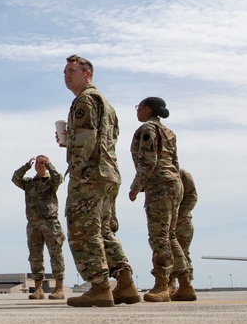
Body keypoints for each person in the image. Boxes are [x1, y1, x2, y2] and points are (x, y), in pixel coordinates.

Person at [60, 54, 138, 307]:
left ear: (87, 74)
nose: (66, 75)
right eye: (65, 72)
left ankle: (100, 286)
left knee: (83, 229)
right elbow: (107, 137)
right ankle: (125, 284)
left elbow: (86, 137)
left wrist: (77, 166)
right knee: (103, 230)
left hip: (90, 175)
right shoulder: (105, 102)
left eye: (72, 70)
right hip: (108, 174)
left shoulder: (85, 99)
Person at [127, 97, 192, 302]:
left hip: (159, 186)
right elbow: (175, 161)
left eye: (139, 108)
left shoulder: (148, 129)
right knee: (170, 236)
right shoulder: (169, 132)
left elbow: (148, 160)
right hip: (174, 183)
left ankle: (162, 285)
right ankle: (185, 284)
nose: (137, 112)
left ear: (147, 109)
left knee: (159, 237)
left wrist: (136, 186)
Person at [12, 155, 66, 300]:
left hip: (50, 223)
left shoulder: (51, 181)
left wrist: (50, 165)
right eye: (37, 163)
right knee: (35, 257)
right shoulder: (30, 183)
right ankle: (38, 288)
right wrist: (26, 166)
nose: (39, 165)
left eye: (42, 163)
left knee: (55, 255)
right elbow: (15, 178)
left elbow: (59, 178)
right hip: (33, 224)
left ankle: (59, 288)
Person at [170, 168, 198, 300]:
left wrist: (179, 215)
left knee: (182, 253)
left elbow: (192, 196)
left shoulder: (183, 174)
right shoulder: (159, 172)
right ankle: (170, 285)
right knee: (166, 253)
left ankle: (185, 285)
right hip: (166, 221)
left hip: (182, 223)